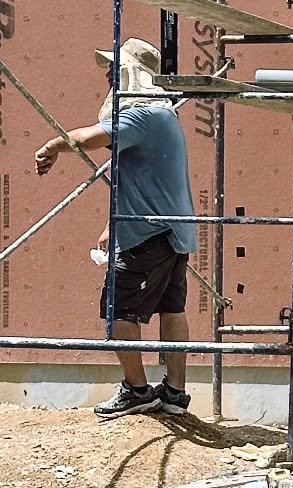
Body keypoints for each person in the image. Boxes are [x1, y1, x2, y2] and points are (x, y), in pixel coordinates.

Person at [35, 36, 196, 419]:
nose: (108, 74)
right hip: (172, 233)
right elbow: (143, 179)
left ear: (131, 73)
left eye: (114, 67)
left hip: (148, 236)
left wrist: (50, 146)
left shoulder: (140, 116)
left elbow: (87, 138)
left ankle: (137, 391)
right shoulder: (163, 116)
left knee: (120, 312)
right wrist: (113, 223)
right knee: (171, 309)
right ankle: (174, 392)